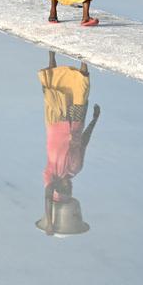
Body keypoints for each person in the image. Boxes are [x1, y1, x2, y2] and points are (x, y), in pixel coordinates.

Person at [37, 51, 100, 236]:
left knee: (53, 85)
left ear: (56, 186)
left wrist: (49, 222)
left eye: (64, 188)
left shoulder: (51, 174)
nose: (68, 186)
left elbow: (47, 197)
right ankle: (84, 56)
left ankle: (51, 53)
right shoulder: (75, 169)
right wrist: (95, 120)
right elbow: (84, 142)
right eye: (69, 189)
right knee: (81, 87)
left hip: (57, 121)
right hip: (76, 124)